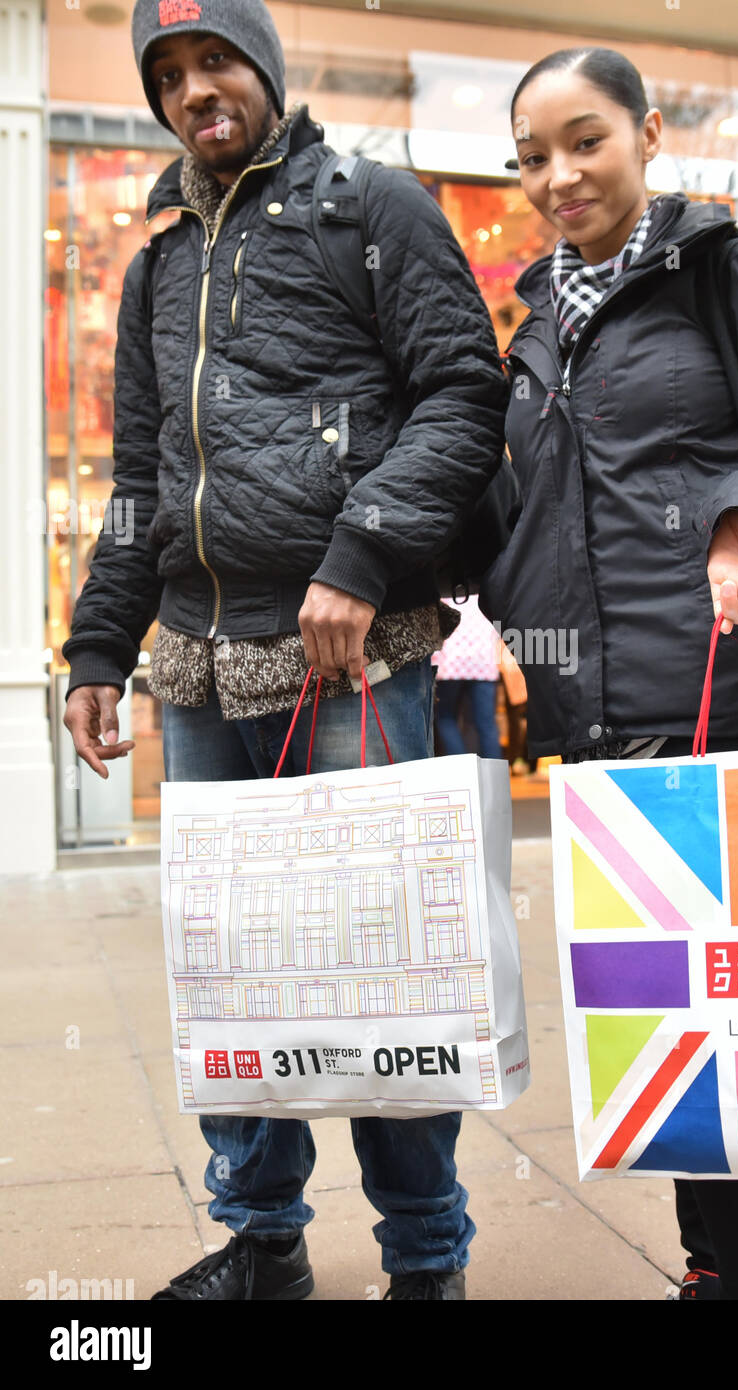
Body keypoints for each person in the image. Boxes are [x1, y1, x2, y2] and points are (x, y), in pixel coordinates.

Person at [62, 0, 508, 1301]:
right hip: (198, 677)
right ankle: (261, 1243)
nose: (197, 88)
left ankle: (426, 1257)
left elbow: (462, 394)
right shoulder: (157, 268)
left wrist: (363, 554)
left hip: (354, 663)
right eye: (169, 72)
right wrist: (100, 644)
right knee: (230, 971)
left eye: (215, 60)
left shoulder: (377, 207)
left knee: (381, 967)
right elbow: (142, 481)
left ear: (262, 66)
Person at [486, 46, 738, 1299]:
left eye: (584, 140)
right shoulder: (536, 319)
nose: (559, 175)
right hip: (598, 722)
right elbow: (527, 512)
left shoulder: (731, 271)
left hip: (724, 702)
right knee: (666, 1023)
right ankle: (717, 1266)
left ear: (648, 134)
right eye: (532, 156)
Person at [432, 594, 504, 760]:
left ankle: (463, 773)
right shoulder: (487, 597)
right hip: (483, 664)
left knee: (446, 718)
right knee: (487, 725)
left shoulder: (445, 592)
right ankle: (495, 780)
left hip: (450, 665)